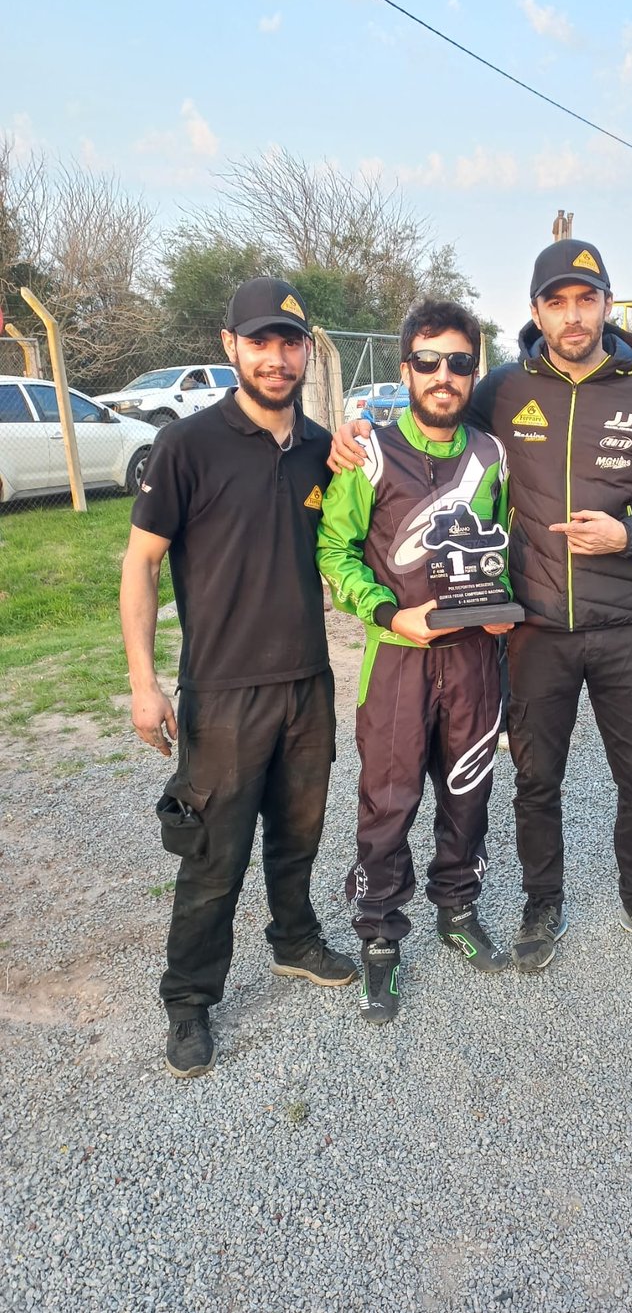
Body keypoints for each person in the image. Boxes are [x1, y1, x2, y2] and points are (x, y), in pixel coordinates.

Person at [331, 240, 632, 974]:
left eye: (585, 298)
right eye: (556, 301)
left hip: (624, 621)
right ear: (535, 311)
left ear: (607, 304)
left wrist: (628, 533)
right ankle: (541, 902)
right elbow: (431, 427)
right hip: (531, 626)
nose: (572, 315)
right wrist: (345, 441)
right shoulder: (500, 386)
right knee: (536, 778)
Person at [120, 277, 356, 1079]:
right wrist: (143, 682)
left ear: (305, 350)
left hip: (307, 684)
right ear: (230, 347)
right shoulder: (188, 446)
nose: (277, 357)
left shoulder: (324, 448)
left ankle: (293, 940)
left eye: (290, 342)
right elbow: (141, 564)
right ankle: (189, 1001)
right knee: (214, 858)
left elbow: (351, 544)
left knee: (298, 839)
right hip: (221, 693)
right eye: (260, 341)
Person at [316, 300, 514, 1025]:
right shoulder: (367, 452)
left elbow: (507, 551)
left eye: (460, 362)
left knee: (468, 796)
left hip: (473, 661)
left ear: (473, 371)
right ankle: (378, 936)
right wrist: (385, 612)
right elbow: (333, 553)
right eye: (428, 361)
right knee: (388, 799)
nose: (444, 375)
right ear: (406, 370)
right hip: (397, 662)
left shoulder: (491, 456)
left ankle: (457, 910)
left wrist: (506, 605)